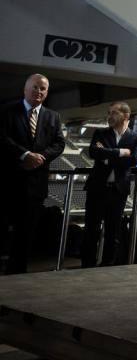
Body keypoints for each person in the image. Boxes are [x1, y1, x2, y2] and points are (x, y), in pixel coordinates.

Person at [0, 74, 65, 274]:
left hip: (36, 184)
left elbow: (59, 144)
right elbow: (2, 138)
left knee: (26, 232)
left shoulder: (53, 116)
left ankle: (17, 273)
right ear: (25, 89)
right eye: (35, 87)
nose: (39, 91)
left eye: (43, 89)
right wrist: (24, 154)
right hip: (8, 181)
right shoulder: (7, 111)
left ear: (46, 93)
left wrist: (40, 157)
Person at [80, 102, 137, 268]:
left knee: (113, 232)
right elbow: (94, 152)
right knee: (91, 230)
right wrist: (120, 153)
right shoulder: (100, 133)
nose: (109, 116)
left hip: (118, 191)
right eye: (108, 113)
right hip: (97, 189)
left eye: (114, 113)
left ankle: (107, 266)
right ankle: (87, 265)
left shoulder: (136, 138)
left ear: (126, 116)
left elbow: (134, 160)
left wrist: (106, 157)